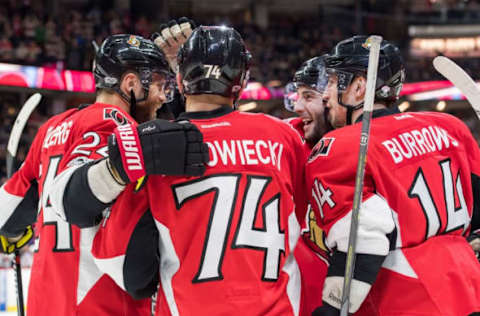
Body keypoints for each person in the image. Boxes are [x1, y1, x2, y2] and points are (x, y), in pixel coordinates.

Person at [84, 25, 309, 316]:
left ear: (178, 80)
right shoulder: (283, 137)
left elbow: (124, 266)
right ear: (242, 81)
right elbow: (303, 217)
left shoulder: (155, 148)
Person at [0, 33, 207, 316]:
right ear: (130, 84)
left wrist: (13, 234)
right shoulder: (116, 123)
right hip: (101, 304)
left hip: (45, 303)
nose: (163, 97)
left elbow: (8, 216)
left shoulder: (52, 128)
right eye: (160, 86)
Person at [308, 35, 480, 316]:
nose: (325, 94)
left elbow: (364, 241)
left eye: (331, 81)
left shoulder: (342, 145)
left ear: (359, 87)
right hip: (470, 288)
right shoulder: (450, 126)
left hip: (406, 299)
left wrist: (331, 309)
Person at [284, 57, 332, 316]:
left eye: (308, 96)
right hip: (305, 303)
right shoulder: (289, 140)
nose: (298, 106)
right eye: (298, 95)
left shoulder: (372, 149)